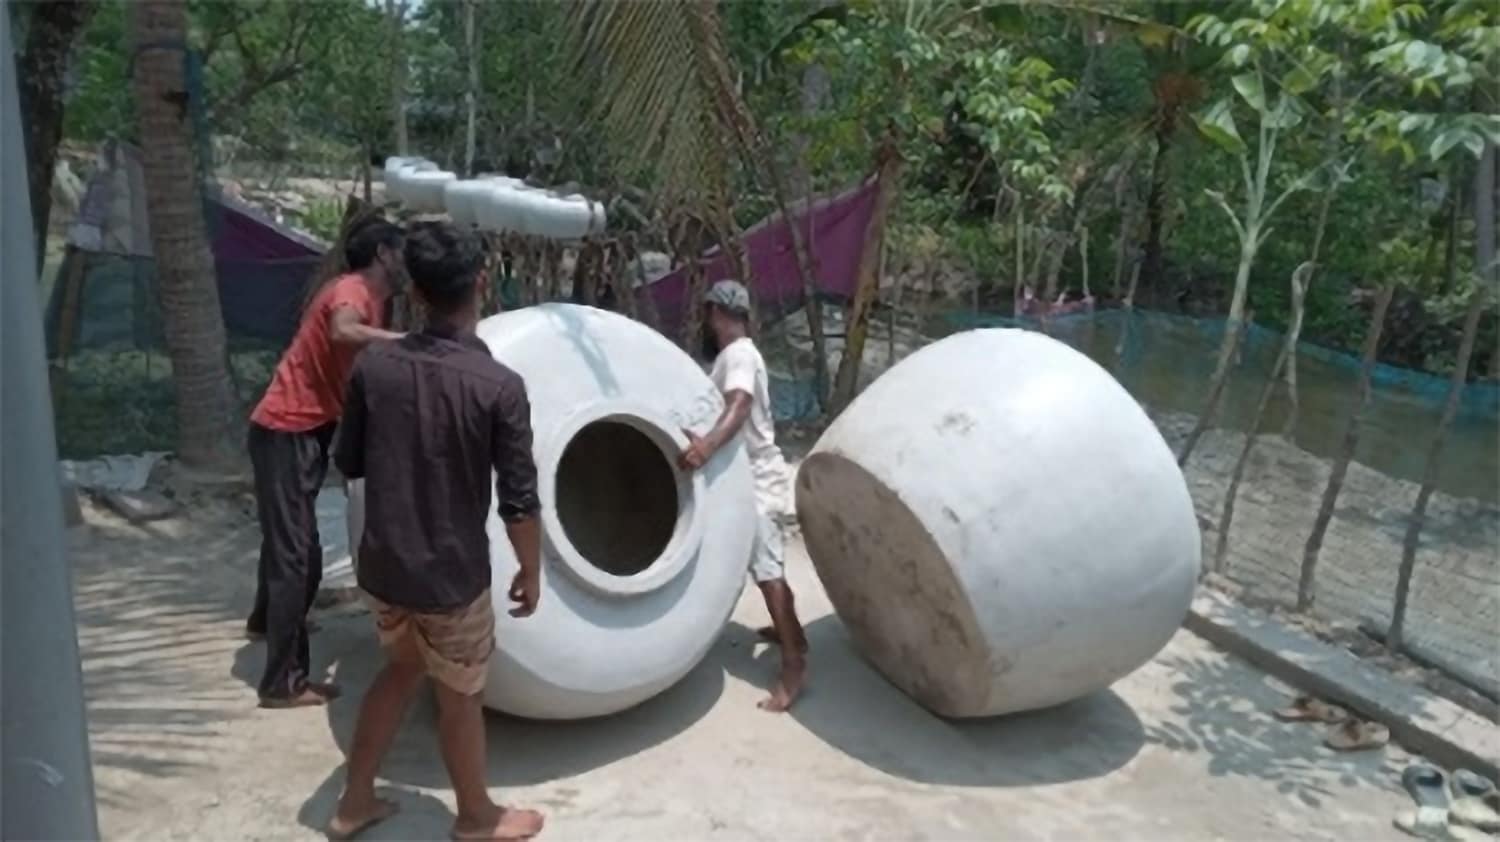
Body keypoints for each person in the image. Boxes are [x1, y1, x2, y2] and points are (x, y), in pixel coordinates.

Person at [328, 222, 545, 842]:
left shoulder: (375, 368)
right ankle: (476, 818)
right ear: (481, 283)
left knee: (399, 669)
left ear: (414, 293)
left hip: (385, 566)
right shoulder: (498, 387)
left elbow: (351, 463)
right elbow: (519, 501)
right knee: (460, 695)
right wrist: (531, 571)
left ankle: (353, 802)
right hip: (450, 577)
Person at [246, 220, 407, 709]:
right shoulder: (352, 290)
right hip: (287, 429)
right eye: (402, 252)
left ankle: (263, 620)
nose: (408, 261)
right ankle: (282, 682)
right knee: (297, 553)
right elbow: (341, 330)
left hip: (303, 428)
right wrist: (404, 342)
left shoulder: (371, 297)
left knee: (289, 540)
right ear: (384, 253)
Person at [679, 279, 808, 712]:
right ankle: (792, 632)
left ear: (716, 312)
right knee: (767, 566)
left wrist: (706, 447)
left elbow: (738, 404)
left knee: (766, 571)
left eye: (709, 311)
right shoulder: (739, 354)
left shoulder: (737, 354)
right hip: (750, 476)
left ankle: (793, 663)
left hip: (757, 478)